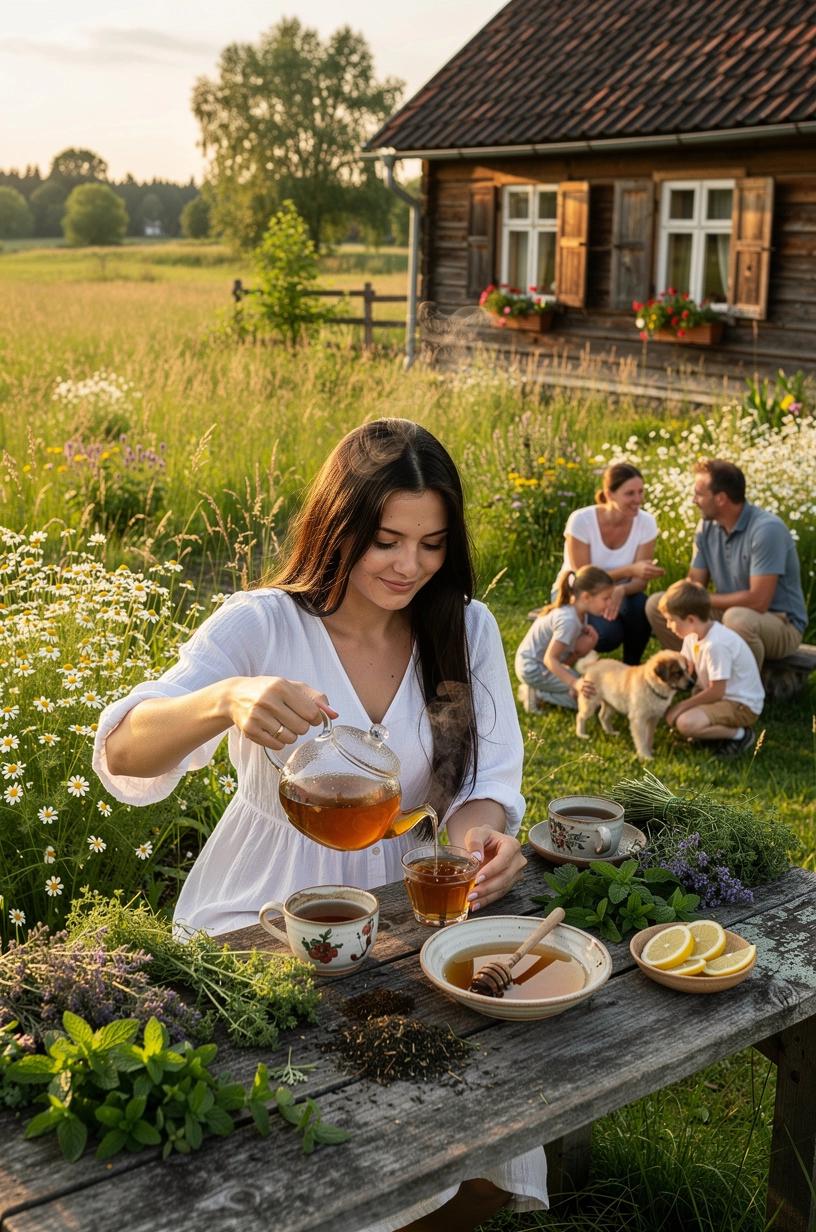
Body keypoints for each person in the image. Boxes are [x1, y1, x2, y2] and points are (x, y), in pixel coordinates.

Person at [92, 418, 546, 1232]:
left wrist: (479, 837)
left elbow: (481, 784)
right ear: (339, 526)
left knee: (454, 1123)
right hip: (266, 909)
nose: (411, 566)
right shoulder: (262, 624)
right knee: (278, 1128)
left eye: (434, 543)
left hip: (404, 909)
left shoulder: (463, 628)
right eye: (387, 541)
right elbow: (126, 750)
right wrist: (226, 701)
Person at [646, 459, 806, 669]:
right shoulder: (706, 527)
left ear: (721, 498)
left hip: (780, 623)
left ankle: (743, 694)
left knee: (737, 619)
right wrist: (680, 596)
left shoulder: (766, 530)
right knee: (658, 605)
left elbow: (758, 601)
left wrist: (699, 599)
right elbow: (695, 583)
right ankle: (692, 673)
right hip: (731, 612)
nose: (694, 500)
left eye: (699, 494)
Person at [559, 463, 664, 665]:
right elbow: (583, 578)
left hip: (620, 593)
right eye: (630, 494)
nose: (638, 499)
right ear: (609, 494)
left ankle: (631, 667)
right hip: (579, 594)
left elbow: (640, 582)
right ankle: (566, 662)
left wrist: (621, 589)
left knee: (640, 605)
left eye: (641, 492)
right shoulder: (581, 520)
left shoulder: (646, 522)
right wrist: (628, 570)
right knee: (608, 635)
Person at [660, 580, 764, 757]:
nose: (669, 625)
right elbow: (687, 666)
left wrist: (681, 706)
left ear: (691, 619)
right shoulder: (692, 636)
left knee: (685, 723)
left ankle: (740, 735)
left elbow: (717, 691)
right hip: (719, 697)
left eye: (671, 620)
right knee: (682, 718)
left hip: (741, 705)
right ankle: (708, 731)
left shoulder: (716, 645)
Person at [515, 566, 614, 712]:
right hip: (532, 668)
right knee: (590, 699)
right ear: (586, 597)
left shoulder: (580, 613)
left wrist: (578, 654)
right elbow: (550, 659)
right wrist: (574, 683)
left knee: (588, 691)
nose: (610, 603)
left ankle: (548, 688)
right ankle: (536, 692)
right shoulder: (569, 620)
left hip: (544, 665)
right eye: (606, 598)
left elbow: (560, 658)